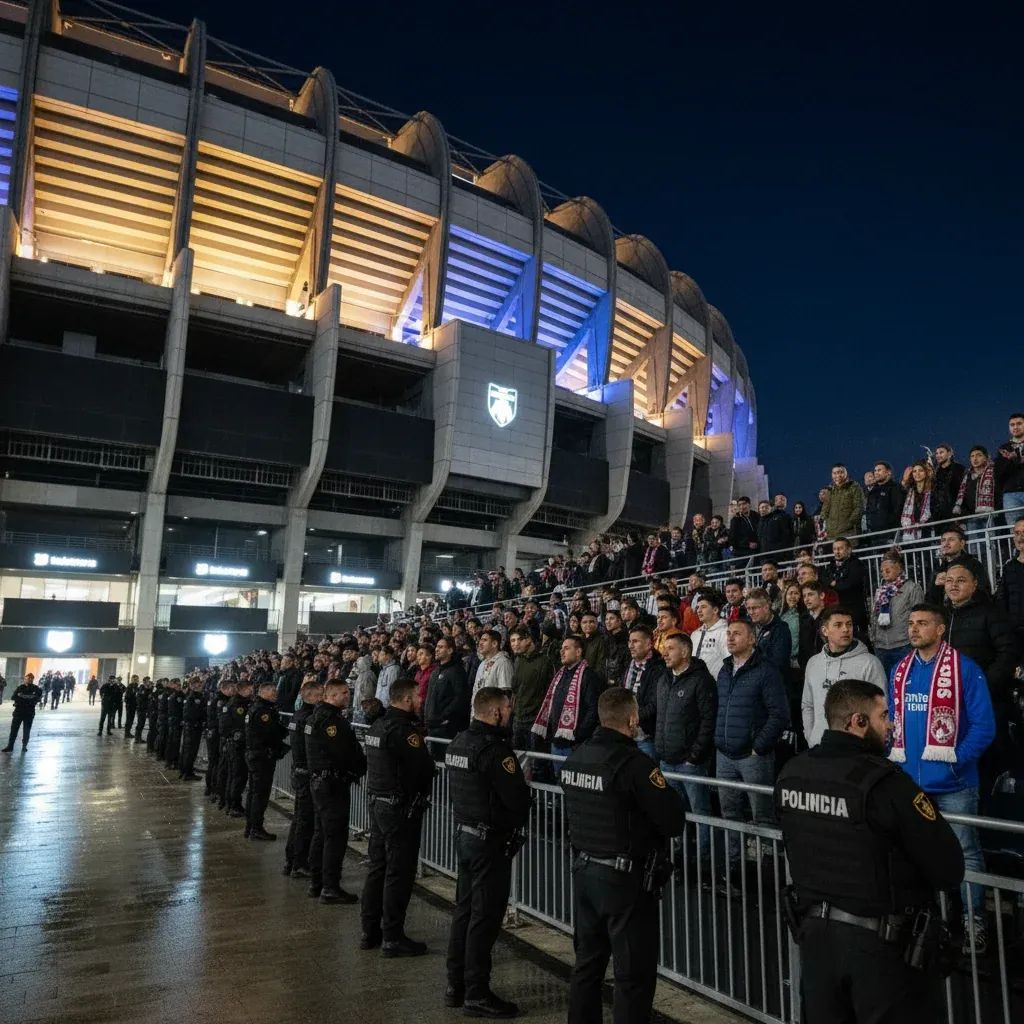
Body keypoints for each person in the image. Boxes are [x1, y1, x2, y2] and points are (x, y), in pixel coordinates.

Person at [776, 679, 965, 1023]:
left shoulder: (792, 774)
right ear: (857, 723)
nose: (890, 724)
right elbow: (948, 866)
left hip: (816, 943)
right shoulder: (886, 783)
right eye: (882, 716)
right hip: (881, 952)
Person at [561, 687, 686, 1024]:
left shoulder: (577, 756)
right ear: (632, 720)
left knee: (587, 966)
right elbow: (673, 820)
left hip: (585, 871)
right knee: (632, 977)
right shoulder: (635, 765)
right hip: (624, 882)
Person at [889, 604, 996, 953]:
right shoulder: (900, 671)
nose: (914, 629)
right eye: (911, 623)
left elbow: (984, 728)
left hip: (954, 785)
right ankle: (928, 921)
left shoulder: (965, 669)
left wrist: (954, 762)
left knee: (966, 853)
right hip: (912, 785)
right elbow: (893, 724)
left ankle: (973, 922)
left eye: (922, 623)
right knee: (917, 854)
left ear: (940, 630)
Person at [444, 688, 532, 1017]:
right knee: (484, 918)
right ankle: (477, 993)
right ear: (495, 712)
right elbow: (517, 799)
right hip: (488, 842)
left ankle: (456, 984)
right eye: (508, 708)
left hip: (465, 835)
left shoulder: (458, 742)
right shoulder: (496, 751)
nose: (510, 713)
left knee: (464, 912)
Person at [360, 677, 436, 956]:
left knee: (378, 867)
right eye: (418, 697)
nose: (420, 702)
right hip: (398, 808)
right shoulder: (405, 731)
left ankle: (370, 931)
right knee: (398, 872)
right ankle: (392, 936)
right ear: (406, 699)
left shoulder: (378, 725)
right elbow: (424, 768)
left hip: (378, 803)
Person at [714, 620, 789, 879]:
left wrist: (759, 746)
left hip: (753, 757)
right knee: (729, 814)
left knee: (762, 816)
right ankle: (733, 871)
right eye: (728, 634)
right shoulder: (724, 670)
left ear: (752, 639)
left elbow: (779, 715)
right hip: (724, 755)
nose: (731, 638)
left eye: (737, 633)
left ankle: (765, 876)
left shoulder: (766, 671)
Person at [655, 633, 717, 860]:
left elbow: (709, 721)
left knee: (700, 814)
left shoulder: (701, 680)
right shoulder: (663, 679)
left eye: (670, 648)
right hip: (666, 760)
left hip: (690, 763)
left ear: (685, 651)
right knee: (673, 813)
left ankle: (703, 863)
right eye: (664, 648)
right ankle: (677, 859)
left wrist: (695, 755)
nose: (664, 653)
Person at [307, 678, 367, 902]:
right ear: (331, 695)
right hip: (332, 785)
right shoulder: (332, 722)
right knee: (334, 837)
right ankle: (330, 887)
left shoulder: (316, 717)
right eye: (343, 693)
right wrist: (357, 768)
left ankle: (316, 882)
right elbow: (343, 754)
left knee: (321, 833)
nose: (347, 696)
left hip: (320, 783)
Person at [801, 608, 887, 747]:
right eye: (838, 625)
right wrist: (811, 736)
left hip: (856, 749)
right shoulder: (813, 663)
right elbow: (807, 704)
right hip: (819, 745)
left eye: (849, 624)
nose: (846, 629)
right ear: (825, 631)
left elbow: (881, 707)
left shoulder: (870, 663)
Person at [531, 635, 603, 763]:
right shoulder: (559, 675)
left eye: (566, 648)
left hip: (576, 744)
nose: (561, 651)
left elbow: (593, 709)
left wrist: (578, 736)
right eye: (561, 648)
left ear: (578, 652)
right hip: (556, 742)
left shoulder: (589, 676)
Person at [283, 679, 322, 877]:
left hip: (298, 771)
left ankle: (291, 860)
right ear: (313, 697)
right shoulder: (308, 718)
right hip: (305, 773)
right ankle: (299, 862)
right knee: (305, 820)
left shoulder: (297, 715)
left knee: (300, 818)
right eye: (320, 695)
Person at [870, 551, 925, 676]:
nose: (885, 572)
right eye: (882, 570)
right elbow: (874, 616)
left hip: (903, 644)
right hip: (881, 646)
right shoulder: (880, 591)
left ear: (900, 568)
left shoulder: (912, 588)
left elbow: (919, 616)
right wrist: (874, 638)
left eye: (888, 568)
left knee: (907, 680)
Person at [621, 624, 669, 760]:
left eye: (635, 641)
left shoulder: (660, 669)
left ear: (648, 644)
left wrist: (634, 718)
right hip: (626, 733)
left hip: (646, 736)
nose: (630, 645)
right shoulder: (628, 664)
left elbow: (655, 703)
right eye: (629, 641)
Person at [508, 625, 552, 753]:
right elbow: (515, 689)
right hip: (518, 718)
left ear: (528, 639)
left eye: (518, 640)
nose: (515, 644)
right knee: (519, 759)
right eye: (512, 641)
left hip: (536, 720)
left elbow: (549, 691)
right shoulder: (517, 660)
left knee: (537, 763)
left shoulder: (545, 661)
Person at [925, 526, 991, 604]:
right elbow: (930, 601)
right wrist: (936, 587)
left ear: (962, 543)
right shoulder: (939, 569)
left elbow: (984, 594)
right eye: (943, 540)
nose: (946, 544)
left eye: (951, 540)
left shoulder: (973, 565)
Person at [424, 636, 471, 743]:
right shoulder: (435, 672)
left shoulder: (457, 671)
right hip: (432, 724)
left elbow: (460, 698)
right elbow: (429, 697)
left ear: (450, 650)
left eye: (441, 647)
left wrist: (444, 717)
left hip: (447, 727)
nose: (436, 649)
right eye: (437, 647)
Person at [821, 538, 869, 636]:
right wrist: (835, 583)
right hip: (836, 612)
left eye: (840, 548)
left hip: (854, 614)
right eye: (834, 549)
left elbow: (848, 585)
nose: (837, 552)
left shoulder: (856, 564)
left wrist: (834, 583)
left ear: (849, 550)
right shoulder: (831, 566)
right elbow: (823, 580)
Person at [224, 677, 254, 818]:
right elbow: (239, 725)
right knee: (238, 776)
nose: (252, 691)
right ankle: (233, 805)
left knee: (235, 776)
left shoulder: (243, 702)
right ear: (242, 690)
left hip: (237, 744)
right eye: (249, 688)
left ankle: (232, 803)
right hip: (237, 745)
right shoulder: (237, 704)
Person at [745, 586, 792, 673]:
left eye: (755, 608)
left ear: (766, 607)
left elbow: (778, 663)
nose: (751, 612)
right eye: (748, 608)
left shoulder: (781, 629)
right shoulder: (751, 626)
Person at [995, 515, 1024, 654]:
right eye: (1017, 533)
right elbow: (1002, 600)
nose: (1020, 537)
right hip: (1016, 637)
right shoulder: (1009, 567)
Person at [995, 412, 1024, 525]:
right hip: (1010, 494)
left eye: (1019, 423)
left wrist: (1017, 458)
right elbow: (998, 473)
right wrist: (1010, 460)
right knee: (1014, 529)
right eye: (1012, 425)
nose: (1015, 427)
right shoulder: (1004, 448)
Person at [822, 464, 864, 542]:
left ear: (846, 473)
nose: (837, 475)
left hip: (849, 533)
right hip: (831, 535)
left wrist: (849, 523)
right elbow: (825, 510)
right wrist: (826, 526)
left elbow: (859, 507)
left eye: (840, 472)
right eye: (834, 473)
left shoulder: (854, 487)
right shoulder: (830, 490)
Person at [690, 593, 728, 680]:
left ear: (715, 610)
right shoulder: (695, 634)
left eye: (703, 607)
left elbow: (728, 661)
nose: (698, 610)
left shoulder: (725, 632)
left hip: (715, 684)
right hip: (694, 684)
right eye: (697, 607)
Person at [2, 673, 43, 752]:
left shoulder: (36, 689)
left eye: (30, 679)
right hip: (18, 712)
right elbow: (13, 697)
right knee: (14, 730)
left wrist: (22, 696)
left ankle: (24, 746)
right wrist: (29, 697)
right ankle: (10, 746)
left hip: (29, 713)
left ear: (32, 680)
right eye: (27, 679)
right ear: (25, 679)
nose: (29, 680)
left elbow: (38, 698)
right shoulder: (20, 687)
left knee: (26, 731)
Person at [210, 677, 235, 804]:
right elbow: (220, 720)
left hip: (219, 735)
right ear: (224, 689)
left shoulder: (227, 700)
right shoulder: (221, 701)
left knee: (220, 764)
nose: (233, 690)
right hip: (219, 736)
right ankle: (216, 791)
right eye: (231, 688)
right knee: (219, 764)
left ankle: (217, 791)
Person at [865, 460, 904, 539]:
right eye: (875, 470)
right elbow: (868, 510)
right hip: (874, 534)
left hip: (891, 534)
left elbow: (898, 510)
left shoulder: (895, 488)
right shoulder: (873, 491)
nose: (876, 473)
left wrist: (888, 525)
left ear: (888, 472)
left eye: (879, 470)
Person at [178, 676, 207, 781]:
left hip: (192, 727)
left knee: (188, 750)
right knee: (190, 751)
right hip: (193, 727)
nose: (199, 686)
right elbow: (190, 713)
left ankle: (185, 770)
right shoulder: (193, 697)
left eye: (199, 684)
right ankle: (187, 773)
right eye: (197, 684)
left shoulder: (195, 696)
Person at [899, 460, 936, 541]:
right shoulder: (909, 491)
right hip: (909, 532)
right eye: (914, 471)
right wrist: (904, 481)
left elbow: (935, 510)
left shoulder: (933, 490)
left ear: (926, 472)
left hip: (926, 530)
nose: (917, 474)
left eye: (921, 470)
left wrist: (923, 523)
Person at [473, 629, 513, 698]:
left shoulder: (503, 662)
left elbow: (506, 692)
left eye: (484, 640)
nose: (480, 643)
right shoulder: (482, 664)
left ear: (494, 644)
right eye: (480, 640)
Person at [727, 496, 760, 564]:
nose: (742, 506)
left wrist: (758, 543)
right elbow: (732, 538)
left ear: (749, 504)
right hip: (742, 554)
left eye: (744, 504)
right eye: (739, 505)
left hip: (758, 551)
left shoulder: (757, 516)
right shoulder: (735, 520)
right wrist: (747, 544)